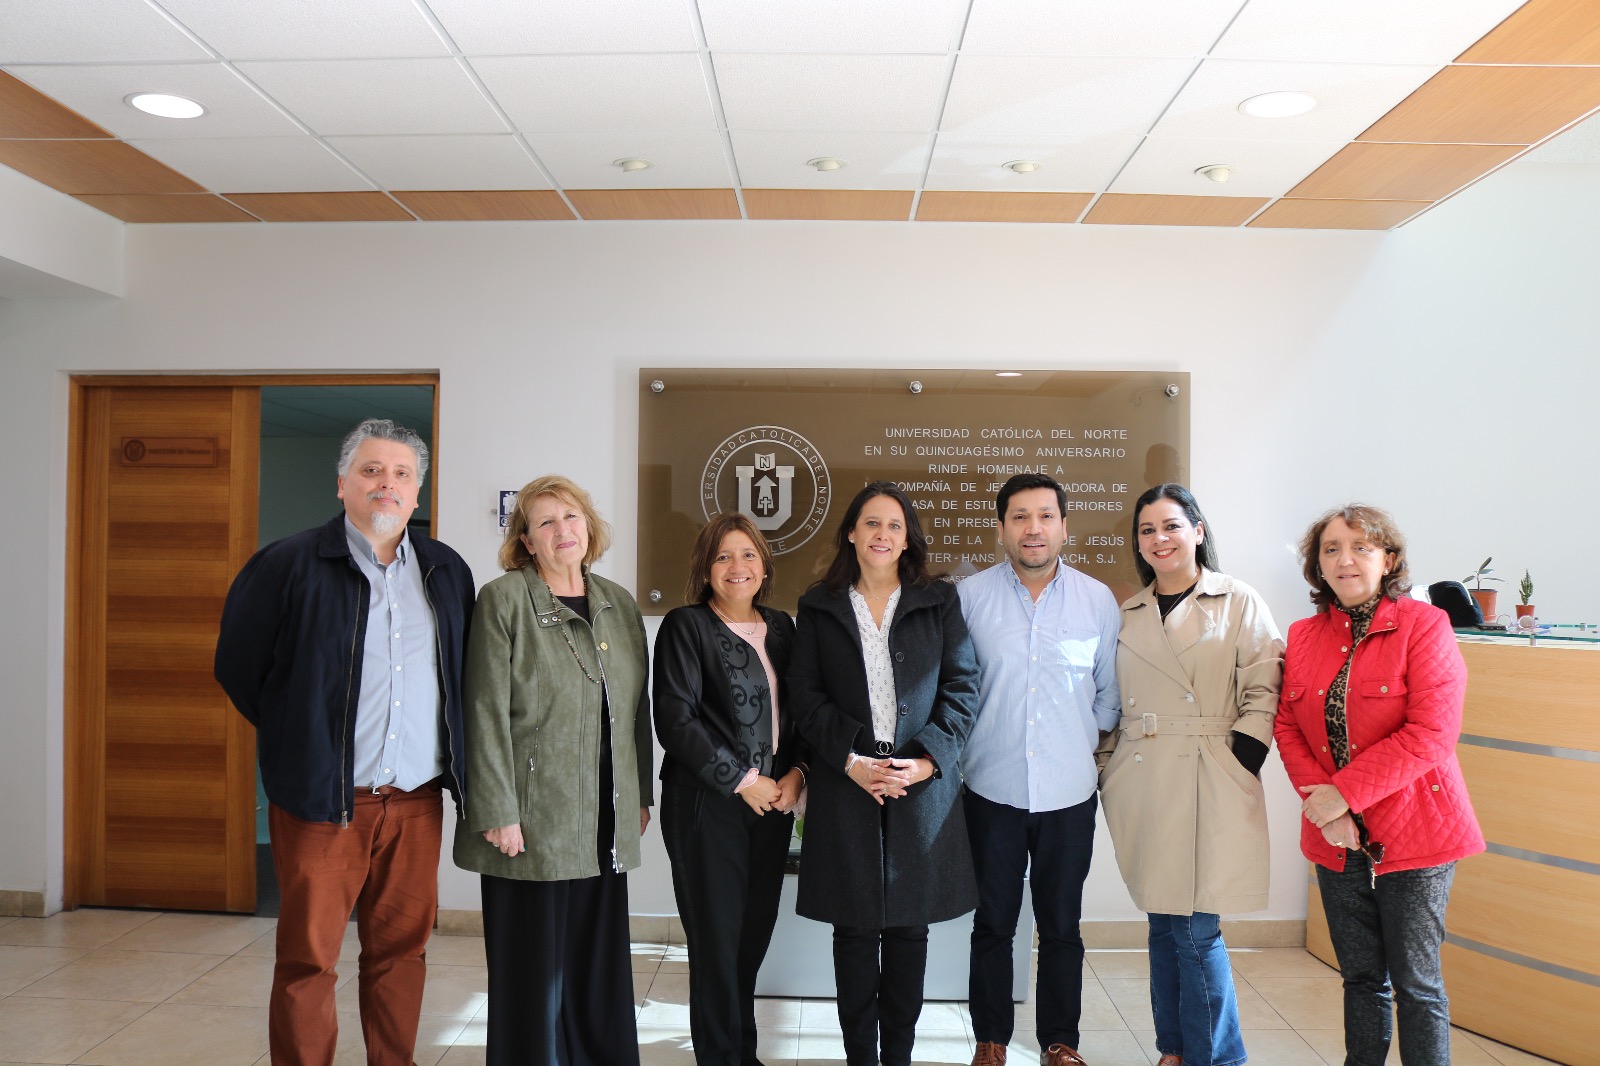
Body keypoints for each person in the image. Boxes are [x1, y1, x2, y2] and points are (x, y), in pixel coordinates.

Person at [214, 418, 475, 1066]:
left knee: (401, 955)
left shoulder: (446, 572)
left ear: (418, 493)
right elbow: (240, 668)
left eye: (401, 474)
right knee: (308, 961)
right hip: (323, 805)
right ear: (342, 484)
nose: (386, 484)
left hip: (415, 803)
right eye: (371, 470)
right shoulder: (286, 564)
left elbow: (462, 676)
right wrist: (297, 738)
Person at [450, 475, 653, 1066]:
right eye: (544, 522)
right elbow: (482, 710)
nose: (562, 530)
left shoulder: (618, 604)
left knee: (597, 964)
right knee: (532, 975)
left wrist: (636, 796)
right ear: (526, 540)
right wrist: (496, 809)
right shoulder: (503, 599)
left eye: (571, 517)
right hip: (529, 821)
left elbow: (635, 713)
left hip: (601, 818)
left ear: (588, 527)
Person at [1275, 504, 1484, 1066]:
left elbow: (1431, 733)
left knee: (1417, 985)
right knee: (1362, 978)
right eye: (1330, 550)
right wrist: (1326, 810)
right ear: (1317, 566)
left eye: (1360, 547)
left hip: (1418, 830)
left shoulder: (1426, 624)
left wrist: (1342, 794)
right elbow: (1287, 725)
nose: (1345, 560)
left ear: (1387, 558)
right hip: (1335, 836)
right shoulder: (1301, 635)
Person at [789, 481, 981, 1066]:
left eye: (894, 526)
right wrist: (848, 760)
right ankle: (859, 1059)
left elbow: (962, 685)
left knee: (907, 933)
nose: (882, 534)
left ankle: (896, 1055)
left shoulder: (936, 601)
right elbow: (805, 694)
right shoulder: (820, 604)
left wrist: (925, 759)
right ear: (851, 532)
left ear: (907, 538)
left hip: (918, 784)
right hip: (847, 782)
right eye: (871, 523)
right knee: (851, 933)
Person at [1095, 484, 1284, 1066]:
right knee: (1163, 923)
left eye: (1171, 526)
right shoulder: (1126, 611)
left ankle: (1220, 1058)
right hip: (1144, 779)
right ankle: (1174, 1049)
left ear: (1198, 530)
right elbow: (1105, 696)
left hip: (1211, 777)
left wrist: (1238, 762)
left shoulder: (1239, 599)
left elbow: (1265, 684)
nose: (1159, 540)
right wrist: (1109, 767)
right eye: (1147, 530)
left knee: (1197, 930)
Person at [958, 472, 1121, 1066]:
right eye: (1021, 517)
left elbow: (1108, 698)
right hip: (991, 789)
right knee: (993, 924)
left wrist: (1072, 744)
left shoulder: (1096, 600)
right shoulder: (969, 598)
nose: (1034, 529)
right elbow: (959, 692)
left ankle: (1061, 1042)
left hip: (1069, 793)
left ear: (1063, 526)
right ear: (1001, 527)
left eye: (1046, 516)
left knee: (1061, 927)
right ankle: (991, 1039)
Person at [653, 513, 810, 1066]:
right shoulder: (685, 625)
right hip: (706, 807)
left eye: (747, 555)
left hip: (771, 806)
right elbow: (675, 720)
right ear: (706, 568)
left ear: (764, 566)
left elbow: (803, 712)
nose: (736, 567)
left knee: (750, 939)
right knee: (716, 946)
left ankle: (742, 1053)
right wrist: (743, 781)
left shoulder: (783, 627)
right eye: (723, 557)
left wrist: (797, 775)